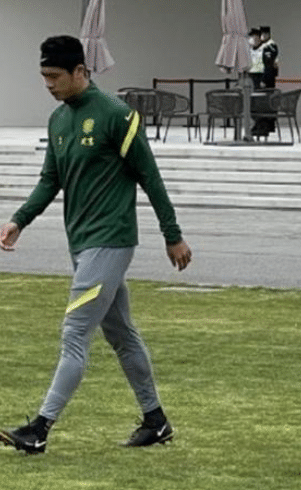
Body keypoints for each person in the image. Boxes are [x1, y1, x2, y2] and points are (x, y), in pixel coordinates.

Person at [0, 35, 192, 454]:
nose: (48, 84)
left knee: (74, 332)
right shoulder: (58, 120)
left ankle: (39, 429)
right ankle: (156, 421)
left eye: (55, 76)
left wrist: (172, 234)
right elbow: (50, 180)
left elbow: (150, 176)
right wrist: (19, 220)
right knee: (122, 334)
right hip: (82, 243)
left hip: (111, 241)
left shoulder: (116, 115)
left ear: (80, 72)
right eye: (44, 76)